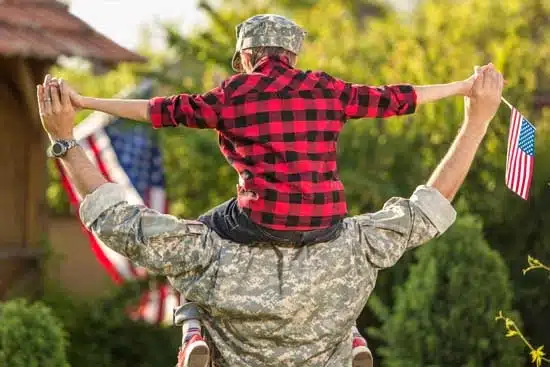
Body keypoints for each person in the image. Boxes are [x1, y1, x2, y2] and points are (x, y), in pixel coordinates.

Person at [47, 13, 489, 367]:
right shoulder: (326, 92)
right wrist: (471, 106)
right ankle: (349, 335)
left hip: (253, 219)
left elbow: (151, 134)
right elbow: (401, 107)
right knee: (347, 288)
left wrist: (76, 119)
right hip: (328, 225)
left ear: (246, 55)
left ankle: (193, 327)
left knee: (194, 236)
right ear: (291, 55)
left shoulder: (233, 99)